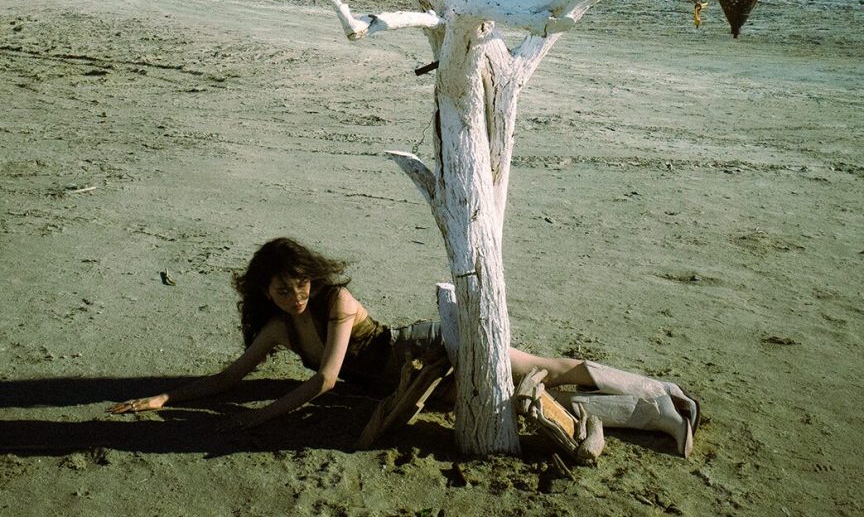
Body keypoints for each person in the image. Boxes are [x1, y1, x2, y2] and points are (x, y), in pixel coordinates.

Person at [110, 236, 698, 455]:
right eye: (283, 288)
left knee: (548, 369)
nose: (295, 295)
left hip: (431, 349)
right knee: (514, 402)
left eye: (300, 284)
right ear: (266, 290)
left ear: (312, 281)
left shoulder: (337, 303)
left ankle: (657, 393)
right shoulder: (279, 329)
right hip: (410, 386)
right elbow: (226, 379)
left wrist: (261, 418)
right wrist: (166, 397)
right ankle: (659, 409)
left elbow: (326, 381)